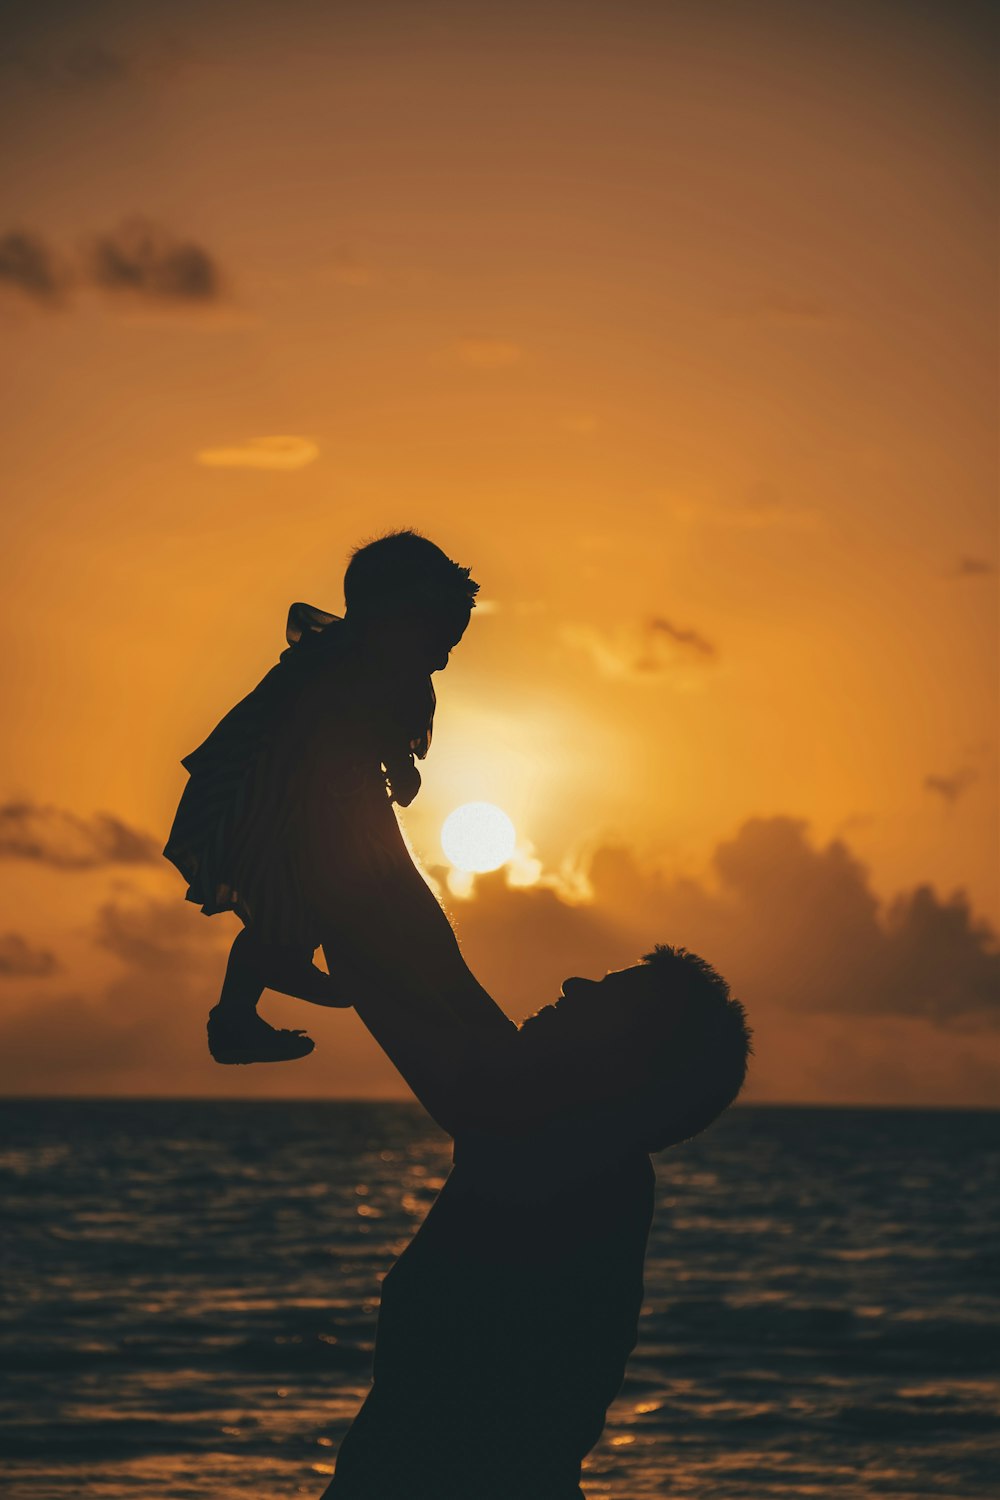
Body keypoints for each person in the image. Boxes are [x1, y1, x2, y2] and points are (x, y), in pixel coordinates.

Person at [317, 881, 752, 1500]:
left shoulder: (550, 1145)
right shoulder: (588, 1148)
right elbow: (439, 963)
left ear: (622, 1059)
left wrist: (320, 856)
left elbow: (381, 981)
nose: (575, 985)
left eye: (605, 997)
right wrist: (357, 818)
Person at [162, 530, 479, 1065]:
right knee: (298, 897)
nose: (442, 662)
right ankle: (253, 997)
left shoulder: (348, 659)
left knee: (287, 906)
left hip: (304, 799)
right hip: (293, 800)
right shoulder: (357, 666)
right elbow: (360, 721)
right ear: (395, 621)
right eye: (437, 645)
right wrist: (399, 767)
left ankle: (238, 1011)